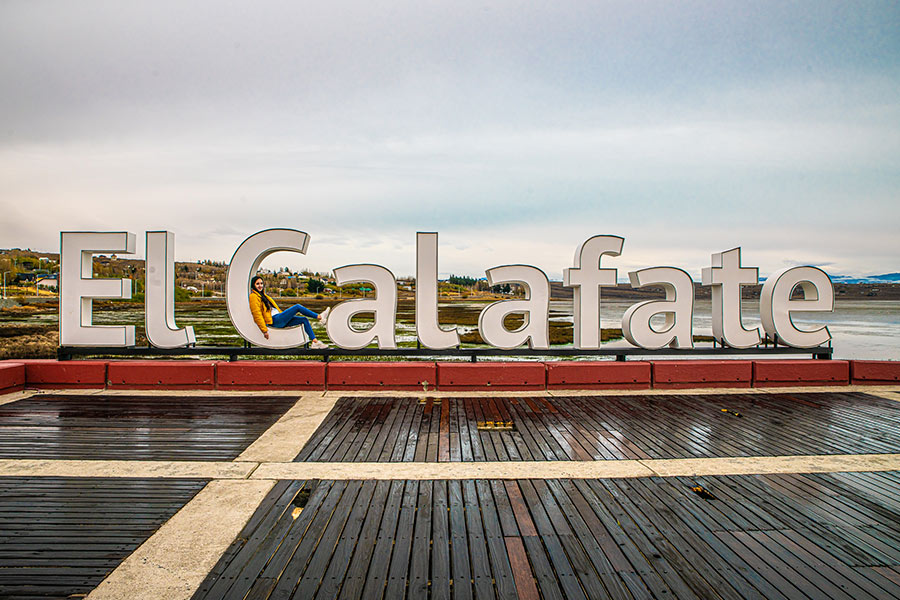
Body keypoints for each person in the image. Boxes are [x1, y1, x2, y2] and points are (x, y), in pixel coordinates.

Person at [249, 275, 330, 349]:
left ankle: (315, 342)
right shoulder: (253, 297)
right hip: (274, 320)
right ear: (253, 285)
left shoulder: (264, 295)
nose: (260, 286)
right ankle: (319, 317)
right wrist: (264, 330)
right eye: (257, 284)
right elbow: (257, 314)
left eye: (261, 283)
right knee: (297, 307)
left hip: (279, 318)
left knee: (304, 320)